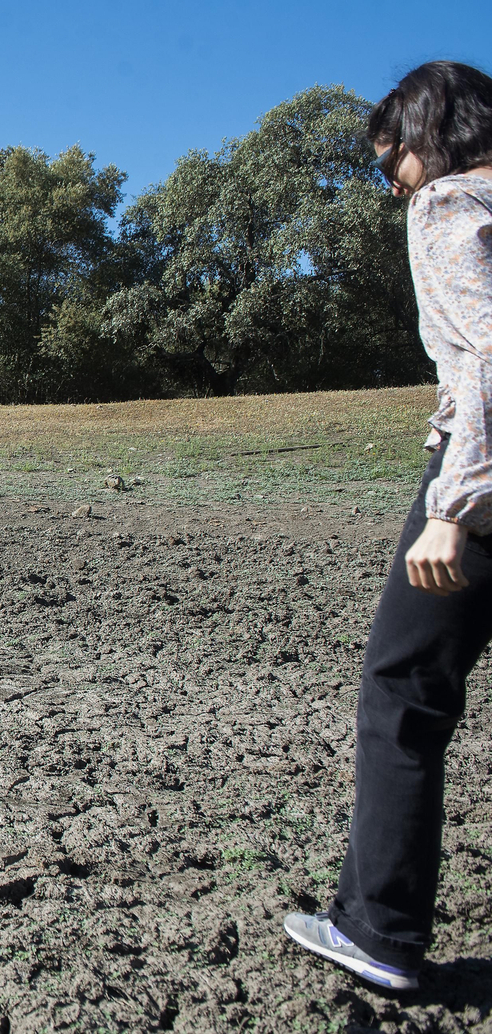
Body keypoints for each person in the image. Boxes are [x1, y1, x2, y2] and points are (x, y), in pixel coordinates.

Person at [284, 61, 492, 993]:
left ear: (426, 132)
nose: (394, 185)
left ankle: (378, 928)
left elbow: (490, 357)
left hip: (480, 481)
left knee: (402, 691)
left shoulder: (450, 208)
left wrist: (453, 505)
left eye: (391, 161)